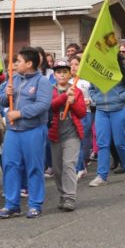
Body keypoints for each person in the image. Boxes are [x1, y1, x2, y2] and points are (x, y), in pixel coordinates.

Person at [0, 46, 53, 219]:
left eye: (19, 61)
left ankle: (35, 204)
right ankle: (12, 205)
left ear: (29, 63)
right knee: (10, 165)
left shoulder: (42, 81)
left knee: (34, 166)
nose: (15, 64)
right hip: (13, 131)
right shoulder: (13, 79)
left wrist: (21, 113)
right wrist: (6, 93)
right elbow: (1, 100)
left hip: (33, 129)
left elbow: (43, 105)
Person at [88, 52, 125, 186]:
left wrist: (121, 98)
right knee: (102, 143)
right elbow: (91, 89)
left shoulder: (122, 68)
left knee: (119, 142)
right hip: (101, 110)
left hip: (119, 109)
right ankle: (101, 176)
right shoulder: (96, 69)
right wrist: (96, 98)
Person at [48, 59, 86, 211]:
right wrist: (64, 98)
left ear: (70, 73)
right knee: (57, 169)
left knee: (69, 165)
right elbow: (50, 106)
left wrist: (74, 102)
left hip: (72, 134)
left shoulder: (77, 91)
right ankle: (63, 195)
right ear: (54, 75)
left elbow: (82, 113)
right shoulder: (50, 90)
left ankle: (70, 198)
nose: (62, 75)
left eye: (65, 72)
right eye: (58, 72)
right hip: (55, 134)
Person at [70, 54, 94, 180]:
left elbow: (94, 97)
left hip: (85, 113)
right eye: (71, 64)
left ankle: (80, 166)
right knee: (73, 142)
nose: (73, 67)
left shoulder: (87, 82)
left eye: (76, 64)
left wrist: (88, 100)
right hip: (71, 115)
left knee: (82, 141)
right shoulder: (68, 82)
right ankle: (79, 166)